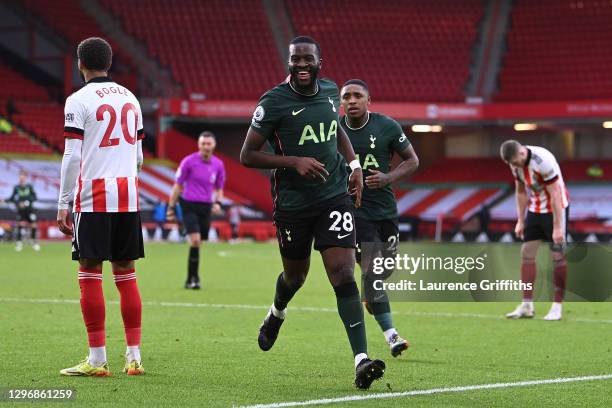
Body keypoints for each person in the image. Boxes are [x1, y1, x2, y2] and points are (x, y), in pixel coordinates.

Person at [240, 36, 385, 390]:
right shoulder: (273, 102)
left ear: (320, 61)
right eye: (296, 60)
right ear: (288, 63)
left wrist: (353, 165)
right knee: (295, 277)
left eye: (308, 60)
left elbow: (334, 129)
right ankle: (276, 313)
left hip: (334, 195)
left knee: (342, 273)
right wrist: (294, 161)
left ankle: (361, 360)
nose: (302, 66)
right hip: (293, 204)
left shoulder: (331, 91)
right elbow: (248, 154)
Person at [57, 37, 145, 376]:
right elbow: (138, 156)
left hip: (93, 196)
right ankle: (134, 357)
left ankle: (96, 360)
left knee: (89, 272)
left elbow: (72, 154)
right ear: (109, 63)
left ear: (81, 63)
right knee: (126, 273)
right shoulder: (131, 99)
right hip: (128, 195)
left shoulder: (78, 100)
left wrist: (64, 201)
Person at [340, 79, 419, 357]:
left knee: (381, 275)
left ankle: (371, 296)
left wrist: (388, 177)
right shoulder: (334, 131)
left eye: (357, 95)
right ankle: (392, 336)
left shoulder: (387, 126)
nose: (351, 100)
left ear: (368, 100)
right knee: (372, 273)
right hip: (354, 212)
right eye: (346, 96)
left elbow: (412, 160)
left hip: (385, 211)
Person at [500, 140, 569, 321]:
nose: (513, 166)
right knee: (527, 252)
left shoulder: (542, 161)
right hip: (535, 209)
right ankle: (527, 305)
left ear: (522, 153)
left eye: (515, 162)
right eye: (511, 164)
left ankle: (557, 307)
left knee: (557, 256)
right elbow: (520, 191)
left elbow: (555, 193)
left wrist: (557, 227)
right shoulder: (515, 165)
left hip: (555, 210)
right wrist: (521, 220)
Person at [167, 131, 225, 289]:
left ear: (213, 145)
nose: (206, 146)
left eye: (209, 143)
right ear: (199, 145)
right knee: (195, 240)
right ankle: (194, 279)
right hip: (188, 204)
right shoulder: (188, 162)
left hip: (206, 206)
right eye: (203, 144)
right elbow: (178, 185)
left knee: (199, 243)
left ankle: (189, 279)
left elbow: (219, 188)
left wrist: (218, 203)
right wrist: (171, 207)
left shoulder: (218, 165)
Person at [7, 170, 40, 252]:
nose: (22, 178)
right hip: (21, 210)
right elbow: (12, 198)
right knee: (20, 225)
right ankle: (19, 243)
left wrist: (27, 202)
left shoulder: (29, 187)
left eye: (23, 176)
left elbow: (35, 197)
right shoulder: (16, 187)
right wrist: (5, 200)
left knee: (33, 225)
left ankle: (33, 242)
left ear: (26, 177)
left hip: (29, 209)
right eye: (20, 176)